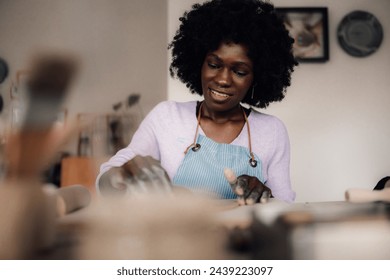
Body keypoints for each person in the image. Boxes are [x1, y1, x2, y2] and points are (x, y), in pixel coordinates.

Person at [96, 0, 298, 204]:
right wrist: (121, 175)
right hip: (177, 234)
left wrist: (264, 194)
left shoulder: (272, 130)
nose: (223, 80)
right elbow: (107, 179)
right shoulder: (167, 116)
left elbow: (285, 205)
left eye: (239, 71)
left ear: (256, 77)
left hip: (242, 236)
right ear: (199, 64)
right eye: (213, 64)